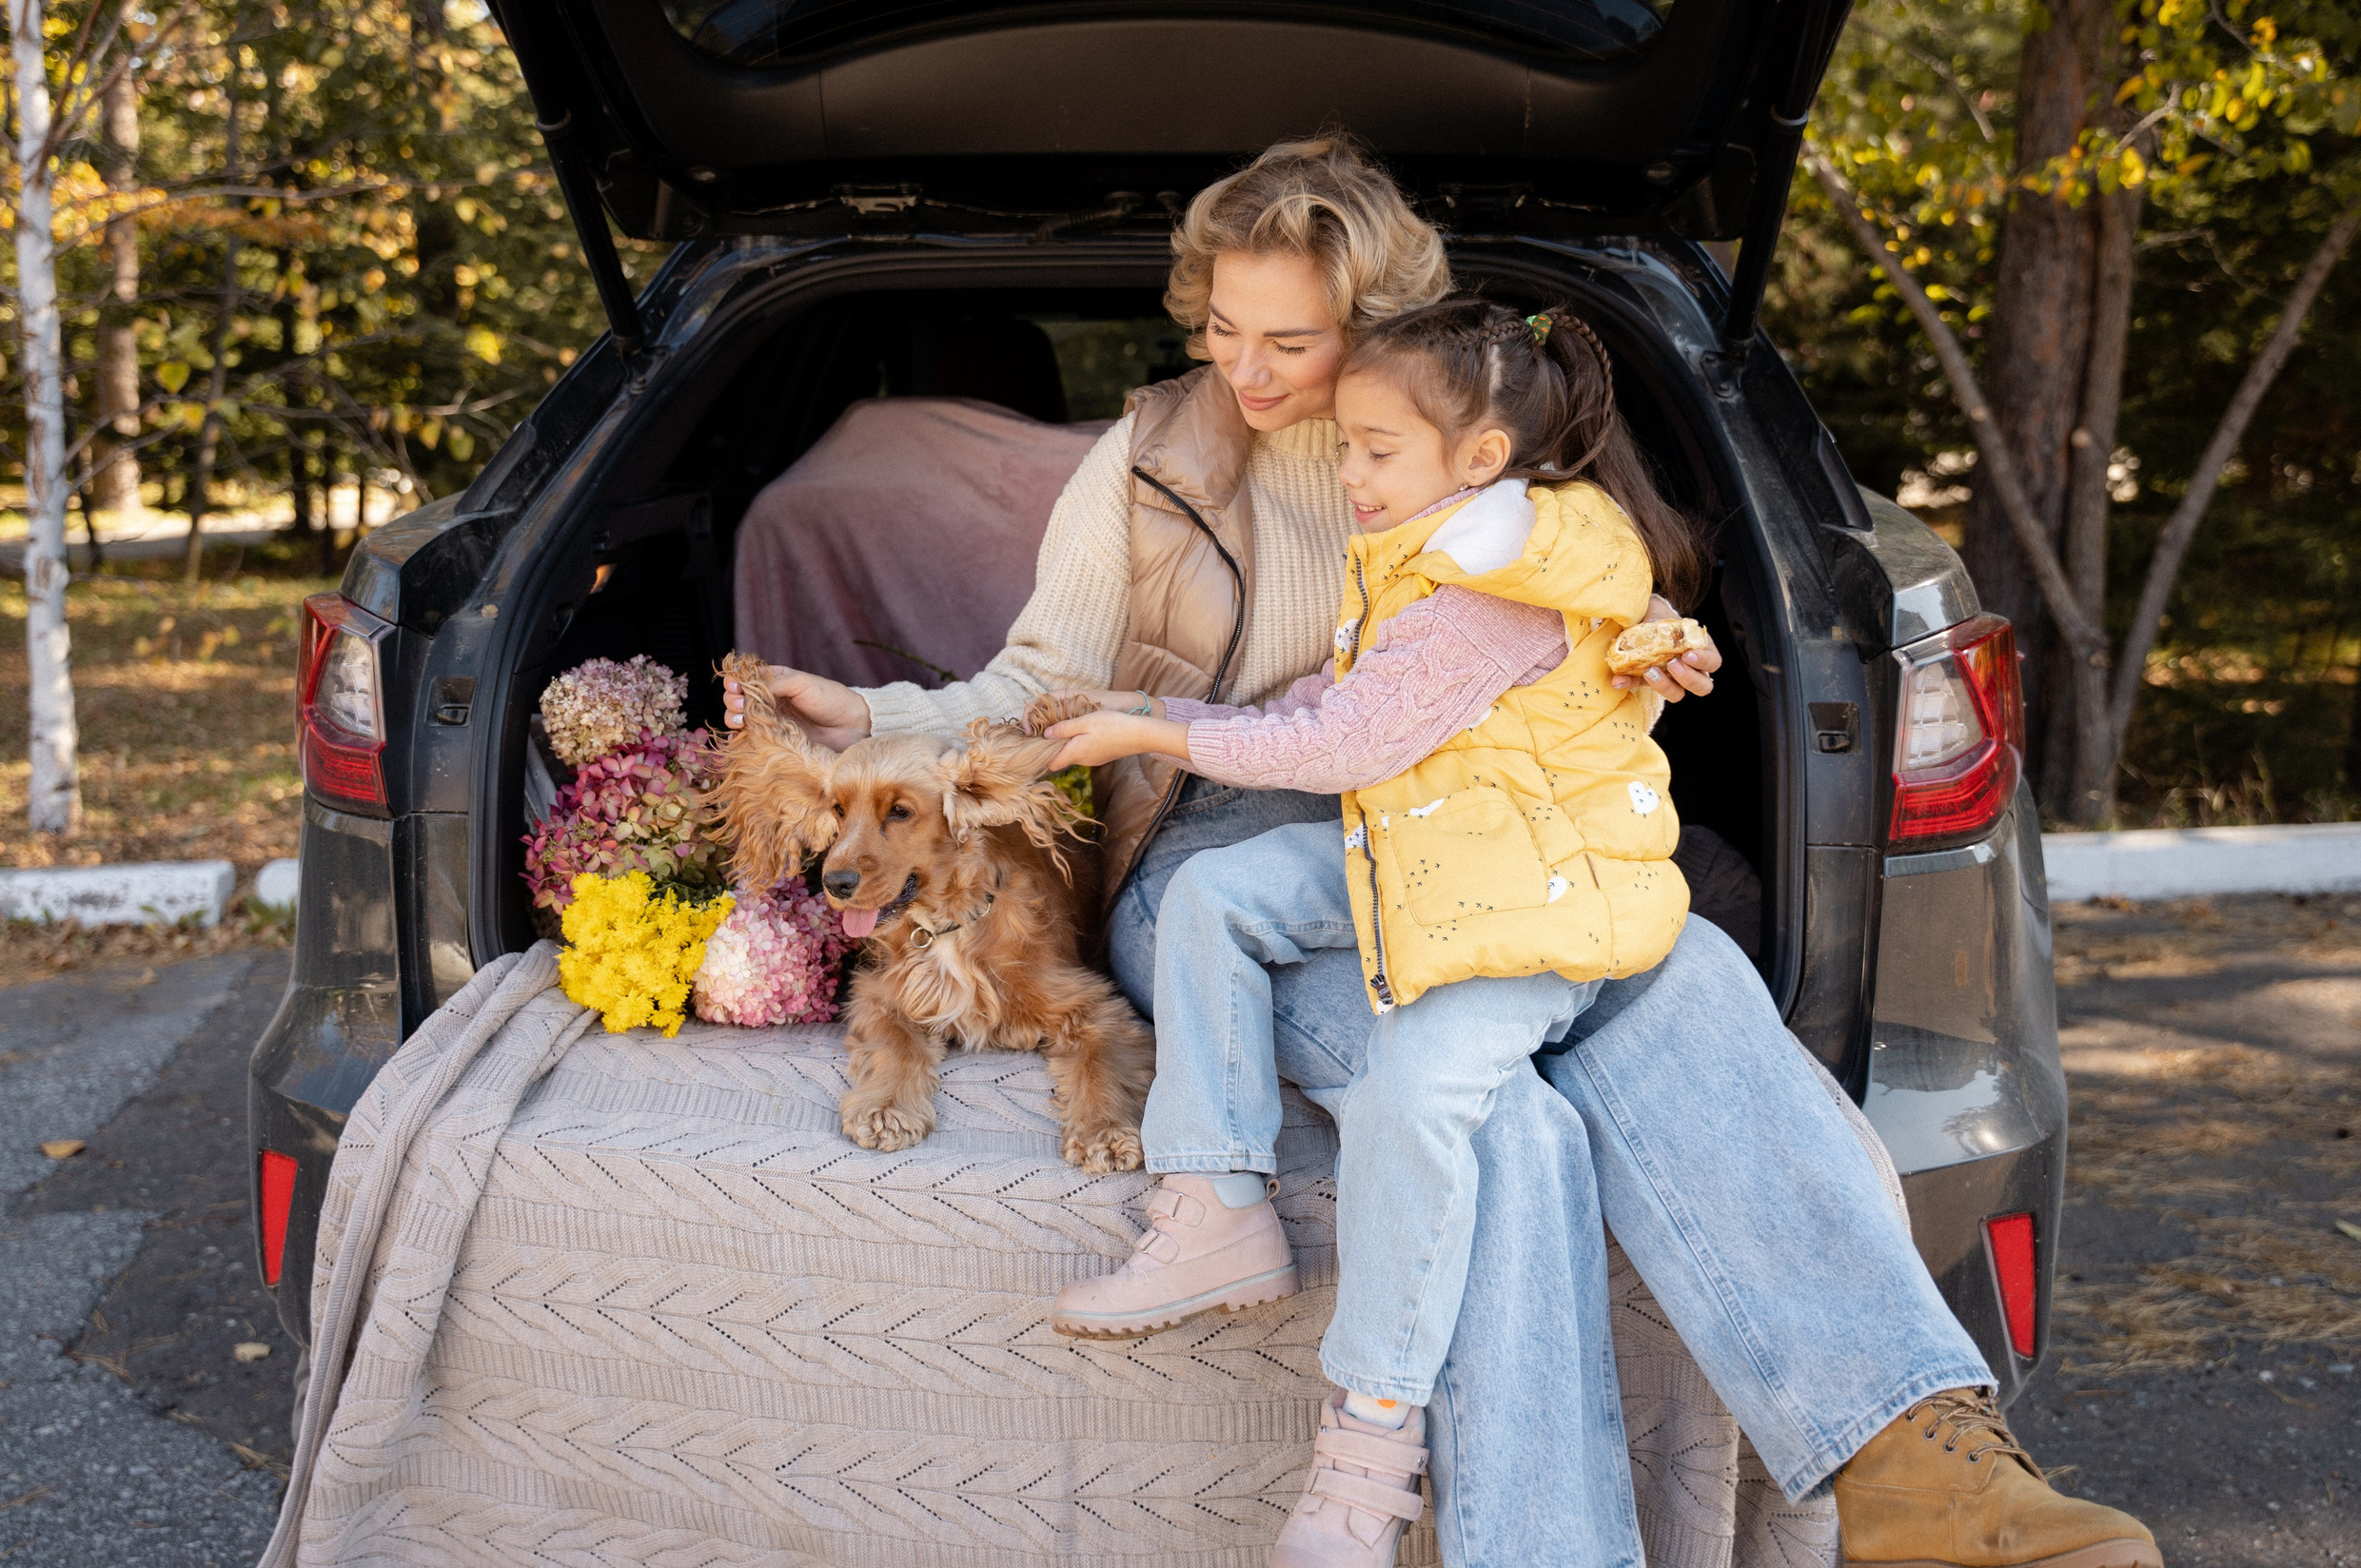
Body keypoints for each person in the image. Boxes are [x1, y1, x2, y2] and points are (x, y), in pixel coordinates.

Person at [728, 138, 2159, 1568]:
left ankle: (1925, 1467)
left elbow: (1599, 605)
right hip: (1217, 850)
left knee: (1693, 985)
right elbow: (1034, 678)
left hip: (1465, 831)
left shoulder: (1481, 462)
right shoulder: (1152, 459)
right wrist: (867, 713)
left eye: (1293, 338)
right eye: (1222, 329)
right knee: (1505, 1126)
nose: (1249, 370)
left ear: (1383, 333)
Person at [1044, 295, 1698, 1568]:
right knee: (1212, 896)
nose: (1349, 474)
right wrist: (1140, 702)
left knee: (1410, 1100)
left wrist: (1150, 732)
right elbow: (1349, 694)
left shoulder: (1495, 588)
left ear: (1481, 458)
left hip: (1530, 913)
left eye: (1375, 451)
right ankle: (1217, 1200)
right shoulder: (1440, 544)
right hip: (1435, 856)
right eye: (1344, 447)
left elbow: (1348, 741)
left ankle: (1369, 1448)